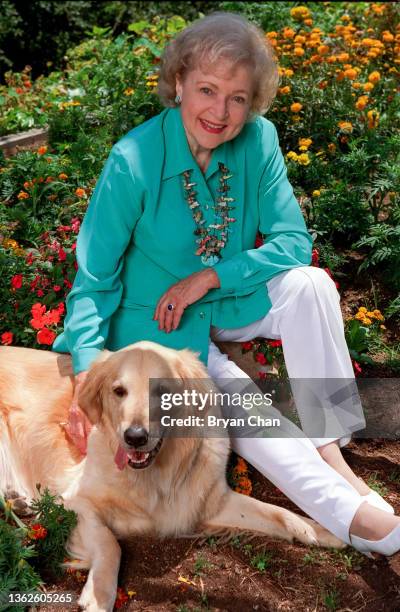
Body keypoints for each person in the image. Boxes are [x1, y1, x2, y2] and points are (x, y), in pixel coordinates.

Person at [52, 12, 400, 556]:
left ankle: (330, 447)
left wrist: (209, 276)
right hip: (160, 330)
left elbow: (293, 243)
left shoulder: (259, 141)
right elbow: (92, 283)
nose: (221, 112)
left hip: (227, 296)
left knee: (310, 285)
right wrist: (83, 377)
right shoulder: (133, 161)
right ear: (179, 84)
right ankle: (356, 518)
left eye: (238, 97)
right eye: (207, 90)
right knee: (233, 401)